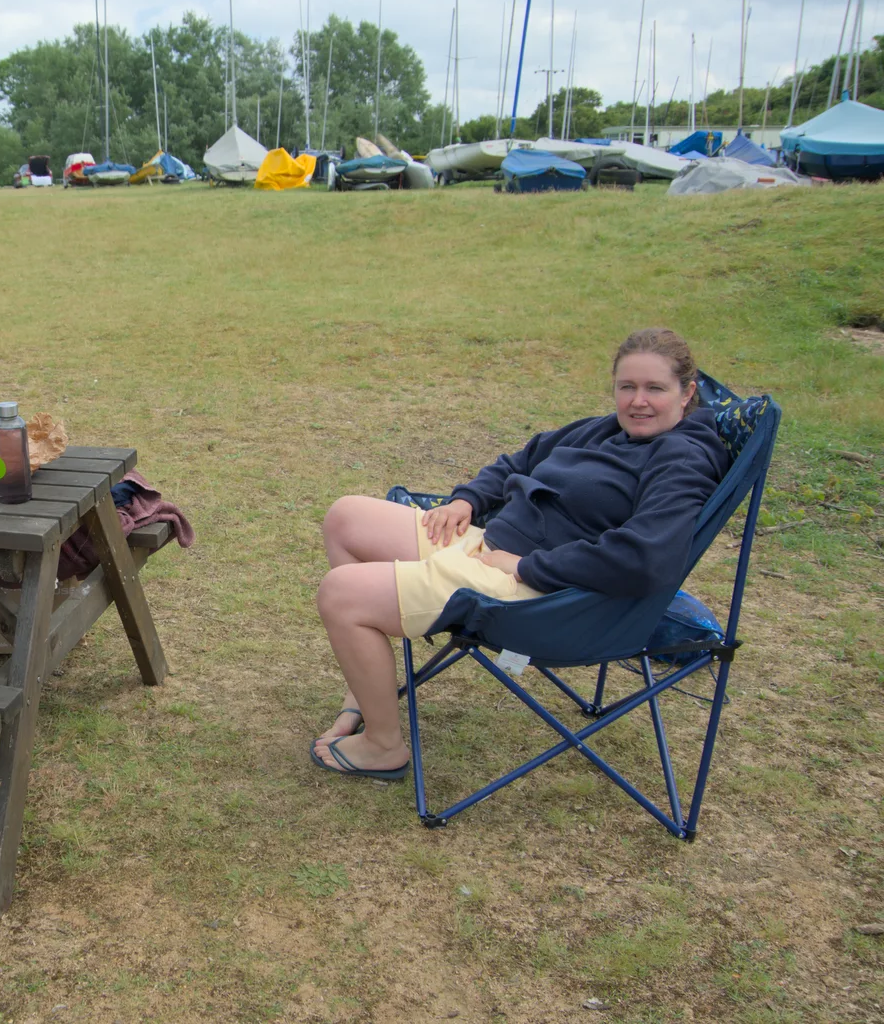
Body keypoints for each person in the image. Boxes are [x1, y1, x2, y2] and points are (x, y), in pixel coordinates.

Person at [310, 328, 730, 780]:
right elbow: (519, 462)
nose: (638, 401)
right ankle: (366, 685)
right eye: (627, 387)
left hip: (537, 593)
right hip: (491, 547)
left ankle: (383, 746)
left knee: (342, 594)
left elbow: (645, 559)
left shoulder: (682, 458)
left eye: (655, 389)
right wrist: (466, 501)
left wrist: (530, 567)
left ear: (687, 393)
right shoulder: (608, 430)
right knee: (346, 518)